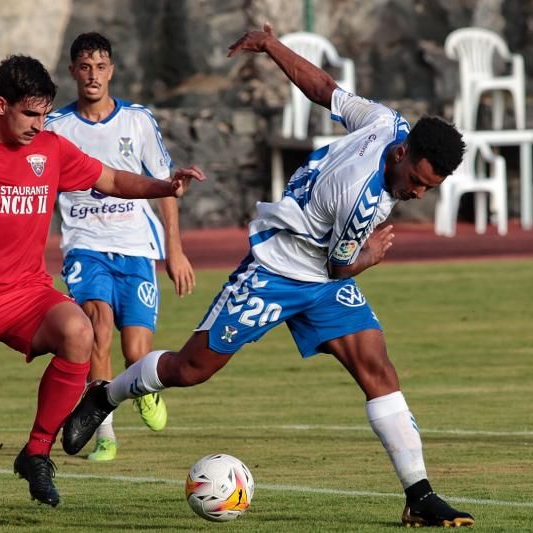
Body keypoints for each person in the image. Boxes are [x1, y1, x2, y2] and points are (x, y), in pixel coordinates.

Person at [63, 24, 474, 528]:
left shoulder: (387, 122)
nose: (416, 194)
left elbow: (326, 91)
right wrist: (368, 258)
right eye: (415, 182)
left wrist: (273, 46)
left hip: (321, 277)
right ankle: (105, 396)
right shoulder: (361, 199)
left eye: (428, 188)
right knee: (192, 369)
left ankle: (419, 495)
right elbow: (341, 264)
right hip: (278, 268)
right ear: (401, 154)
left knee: (377, 369)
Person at [0, 55, 204, 506]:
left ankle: (36, 452)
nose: (39, 123)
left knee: (80, 331)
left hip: (26, 294)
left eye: (43, 112)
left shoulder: (51, 149)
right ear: (0, 104)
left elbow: (110, 179)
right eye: (29, 113)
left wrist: (164, 187)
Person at [44, 32, 195, 462]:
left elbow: (164, 187)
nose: (93, 75)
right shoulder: (57, 128)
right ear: (73, 72)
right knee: (98, 331)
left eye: (101, 66)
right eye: (85, 67)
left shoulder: (138, 121)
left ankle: (145, 388)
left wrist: (175, 248)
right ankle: (106, 434)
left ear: (111, 71)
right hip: (84, 246)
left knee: (135, 352)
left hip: (136, 246)